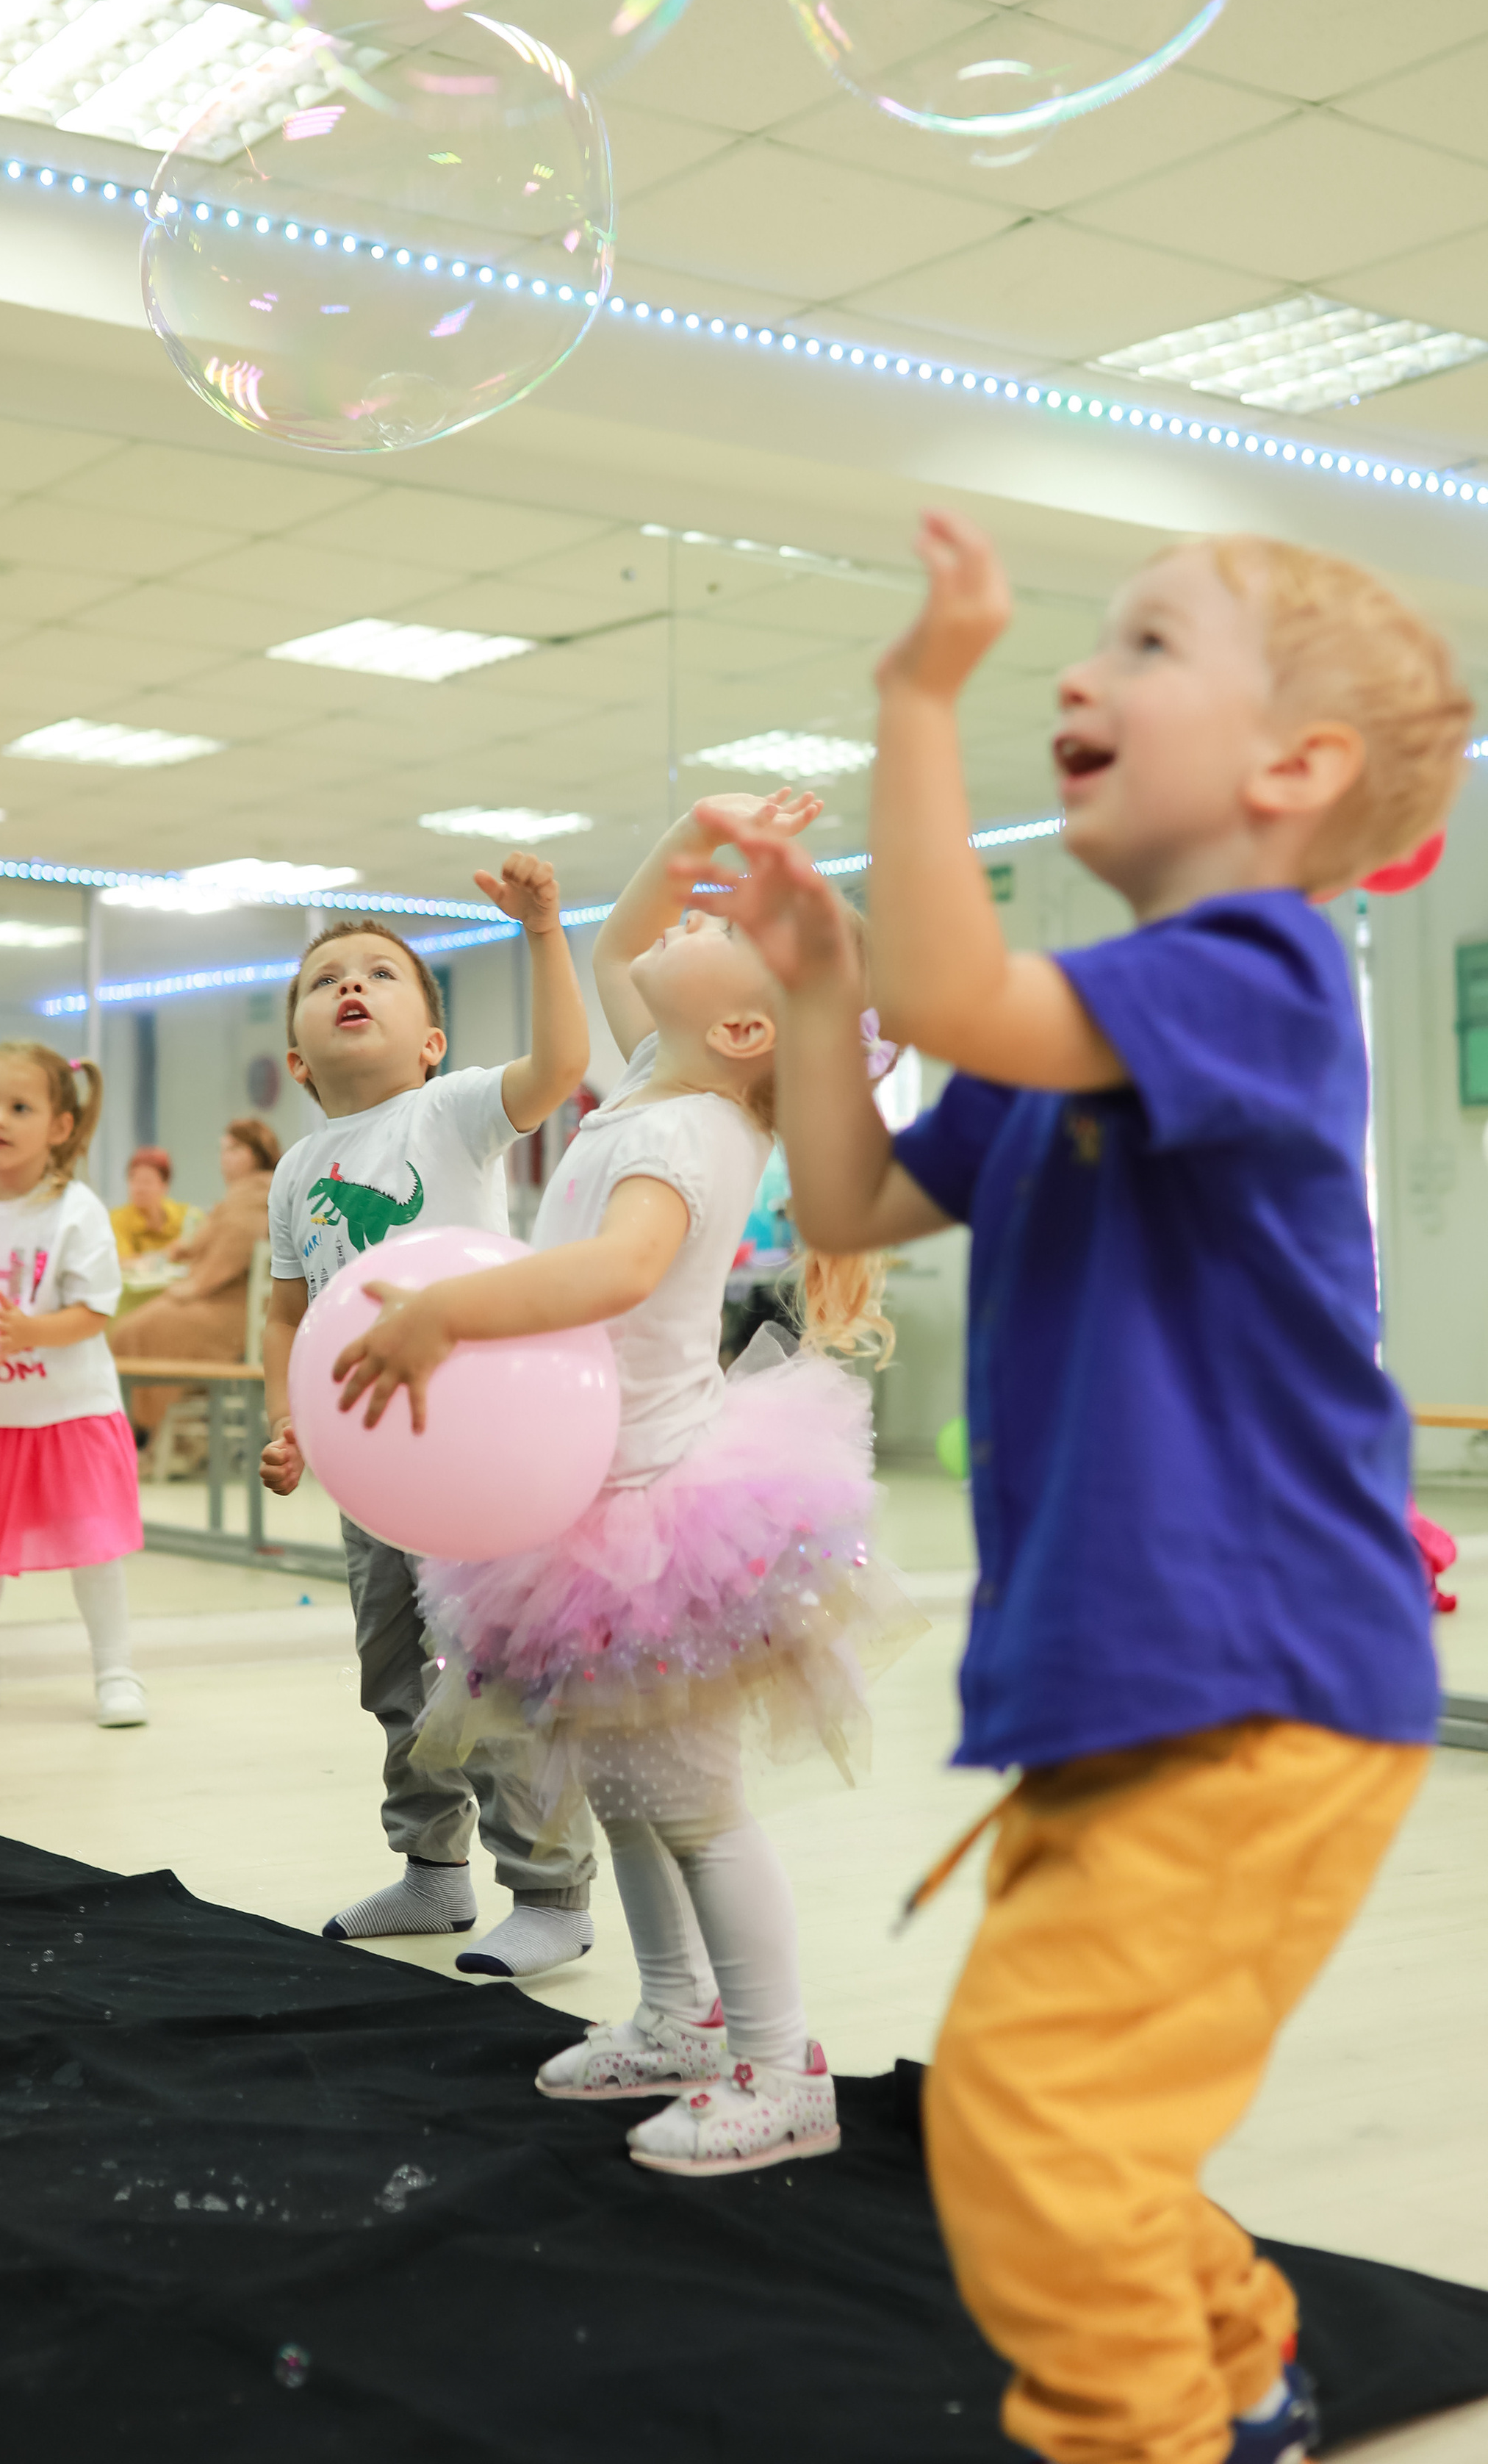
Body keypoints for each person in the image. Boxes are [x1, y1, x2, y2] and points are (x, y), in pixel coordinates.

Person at [702, 517, 1468, 2463]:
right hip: (1140, 1678)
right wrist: (816, 997)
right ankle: (1247, 2371)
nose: (1076, 672)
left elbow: (962, 999)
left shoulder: (1260, 975)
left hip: (1263, 1681)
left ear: (1292, 773)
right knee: (1065, 2114)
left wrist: (915, 694)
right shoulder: (1080, 1030)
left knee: (1033, 2124)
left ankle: (1151, 2432)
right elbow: (861, 1202)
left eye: (1141, 643)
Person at [326, 795, 923, 2173]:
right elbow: (636, 940)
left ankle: (782, 2070)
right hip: (578, 1506)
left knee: (696, 1807)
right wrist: (692, 832)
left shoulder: (688, 1133)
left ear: (747, 1032)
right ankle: (672, 2014)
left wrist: (450, 1313)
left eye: (735, 931)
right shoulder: (669, 1071)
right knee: (623, 1785)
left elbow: (614, 1272)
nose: (698, 921)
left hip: (653, 1523)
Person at [260, 864, 596, 1980]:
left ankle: (550, 1891)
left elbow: (560, 1068)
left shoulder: (447, 1117)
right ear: (299, 1061)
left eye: (380, 975)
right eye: (325, 981)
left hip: (475, 1461)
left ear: (432, 1042)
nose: (351, 985)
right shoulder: (298, 1168)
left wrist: (544, 932)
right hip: (370, 1469)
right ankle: (434, 1872)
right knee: (397, 1675)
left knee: (492, 1672)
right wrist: (288, 1418)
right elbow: (289, 1309)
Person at [0, 1041, 147, 1728]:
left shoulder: (75, 1210)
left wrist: (31, 1333)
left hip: (66, 1412)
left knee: (94, 1547)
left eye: (20, 1107)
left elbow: (95, 1309)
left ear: (60, 1126)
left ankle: (116, 1671)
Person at [109, 1114, 281, 1445]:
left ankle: (141, 1433)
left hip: (230, 1305)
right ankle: (144, 1431)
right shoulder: (246, 1192)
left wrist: (194, 1285)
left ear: (257, 1152)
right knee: (136, 1326)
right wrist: (188, 1252)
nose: (224, 1159)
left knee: (134, 1331)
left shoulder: (255, 1191)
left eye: (234, 1149)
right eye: (222, 1150)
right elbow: (212, 1237)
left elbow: (233, 1250)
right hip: (225, 1298)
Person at [111, 1147, 190, 1265]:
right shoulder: (117, 1220)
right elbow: (121, 1262)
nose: (139, 1189)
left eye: (147, 1182)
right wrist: (165, 1254)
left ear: (165, 1186)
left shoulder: (186, 1216)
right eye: (134, 1180)